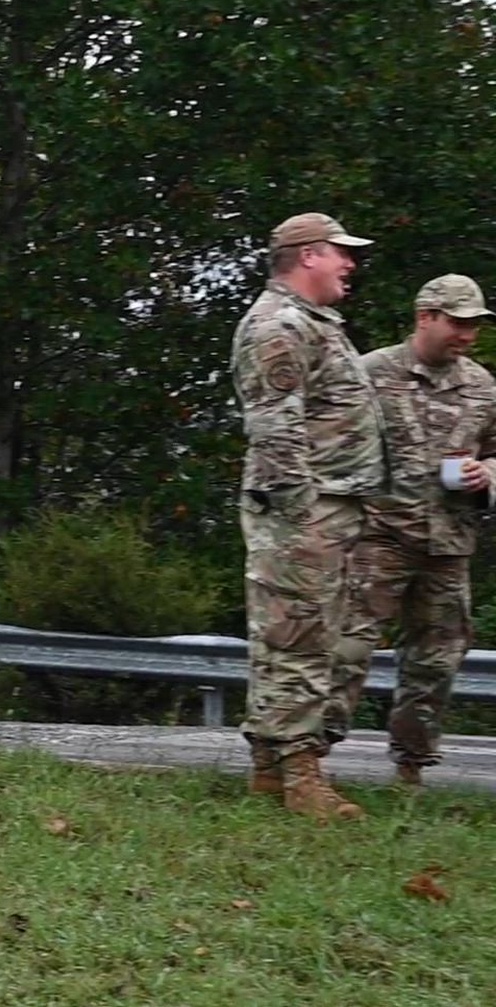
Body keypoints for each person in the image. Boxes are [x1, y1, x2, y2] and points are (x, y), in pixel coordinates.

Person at [230, 211, 387, 820]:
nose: (350, 263)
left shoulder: (313, 323)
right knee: (304, 639)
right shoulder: (279, 325)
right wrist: (301, 517)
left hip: (325, 505)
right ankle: (302, 775)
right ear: (308, 256)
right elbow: (275, 427)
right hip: (305, 509)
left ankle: (270, 768)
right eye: (341, 252)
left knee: (289, 636)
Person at [328, 274, 496, 788]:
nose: (467, 335)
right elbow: (331, 443)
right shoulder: (370, 373)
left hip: (448, 543)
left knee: (436, 659)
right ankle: (306, 759)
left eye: (474, 326)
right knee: (346, 649)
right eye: (458, 323)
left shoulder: (484, 386)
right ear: (426, 316)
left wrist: (487, 473)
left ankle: (411, 767)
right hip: (378, 536)